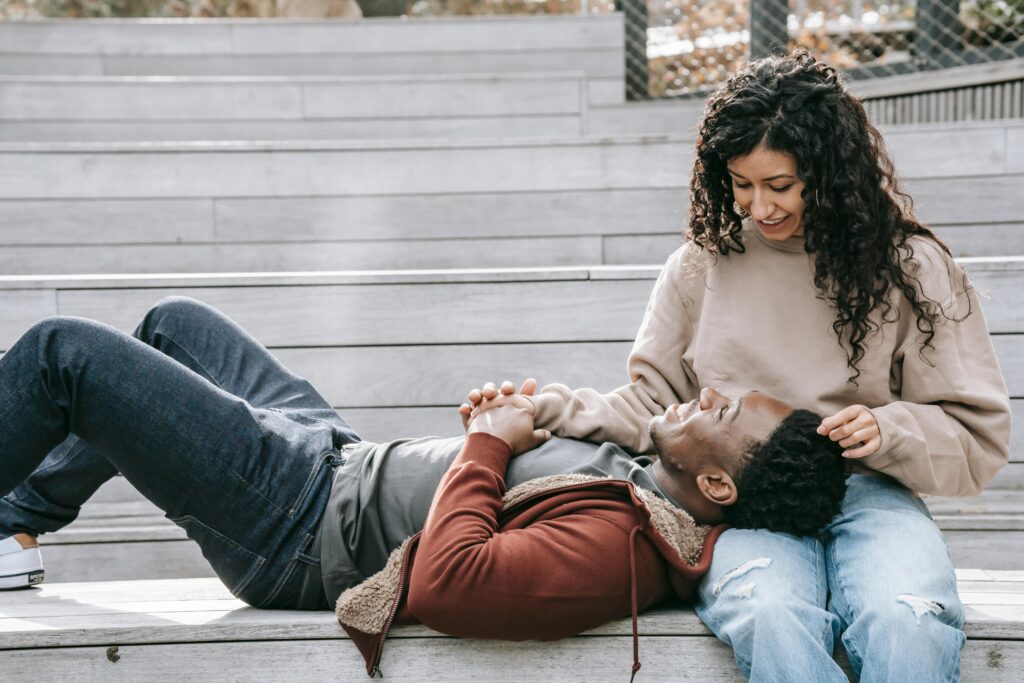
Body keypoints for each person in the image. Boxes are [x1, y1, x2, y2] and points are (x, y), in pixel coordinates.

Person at [464, 51, 1011, 682]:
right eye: (740, 184)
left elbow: (978, 434)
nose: (760, 207)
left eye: (781, 185)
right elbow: (653, 407)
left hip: (868, 490)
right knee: (770, 612)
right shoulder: (701, 266)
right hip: (736, 506)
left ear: (831, 171)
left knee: (904, 618)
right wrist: (541, 408)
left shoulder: (909, 267)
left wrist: (889, 431)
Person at [0, 296, 847, 677]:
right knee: (173, 326)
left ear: (718, 485)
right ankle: (18, 523)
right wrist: (516, 426)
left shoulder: (621, 551)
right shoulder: (647, 481)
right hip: (337, 454)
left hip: (292, 523)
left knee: (61, 355)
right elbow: (513, 473)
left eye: (726, 409)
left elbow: (452, 578)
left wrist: (483, 446)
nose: (709, 389)